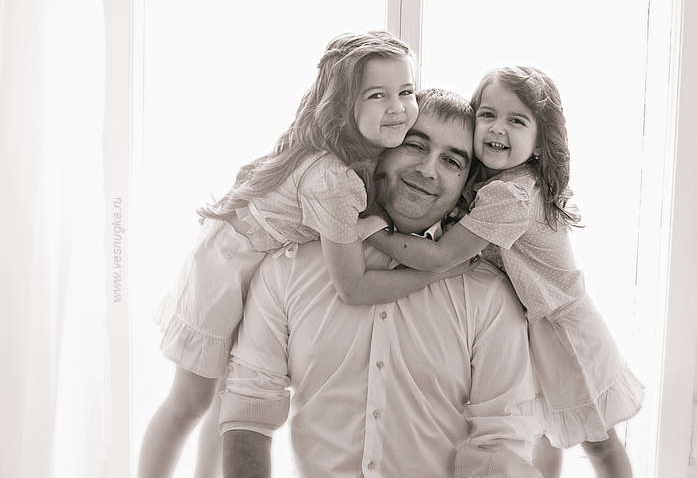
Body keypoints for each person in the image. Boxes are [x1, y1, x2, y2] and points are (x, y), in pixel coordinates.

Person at [138, 32, 473, 478]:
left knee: (227, 398)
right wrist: (436, 270)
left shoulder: (354, 156)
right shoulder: (332, 176)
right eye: (377, 95)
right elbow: (352, 286)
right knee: (191, 400)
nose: (397, 108)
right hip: (225, 268)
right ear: (344, 103)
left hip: (247, 255)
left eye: (406, 92)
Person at [220, 89, 543, 478]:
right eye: (414, 145)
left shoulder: (488, 295)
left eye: (451, 161)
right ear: (381, 148)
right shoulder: (288, 267)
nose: (428, 170)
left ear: (466, 186)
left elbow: (503, 445)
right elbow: (248, 413)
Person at [366, 67, 645, 478]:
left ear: (539, 143)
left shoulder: (510, 194)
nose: (498, 128)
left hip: (563, 331)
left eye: (517, 120)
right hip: (535, 322)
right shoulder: (495, 183)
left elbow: (441, 255)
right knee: (541, 433)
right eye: (488, 115)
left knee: (598, 442)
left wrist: (373, 231)